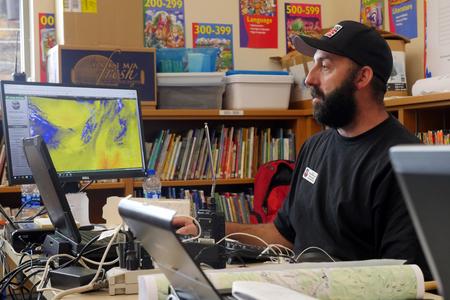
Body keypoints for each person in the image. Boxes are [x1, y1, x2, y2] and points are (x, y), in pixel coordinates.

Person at [174, 20, 430, 279]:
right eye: (314, 64)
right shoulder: (315, 146)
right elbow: (283, 234)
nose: (309, 77)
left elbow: (404, 278)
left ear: (362, 77)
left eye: (326, 66)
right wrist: (207, 230)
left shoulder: (406, 163)